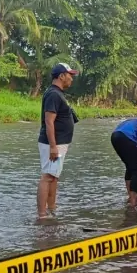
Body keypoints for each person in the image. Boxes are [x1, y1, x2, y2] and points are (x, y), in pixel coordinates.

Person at [37, 63, 80, 219]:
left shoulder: (58, 93)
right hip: (52, 143)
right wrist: (53, 147)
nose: (71, 79)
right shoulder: (54, 94)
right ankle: (42, 215)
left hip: (59, 142)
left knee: (54, 176)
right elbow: (49, 122)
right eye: (70, 75)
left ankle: (52, 208)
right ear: (61, 76)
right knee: (48, 176)